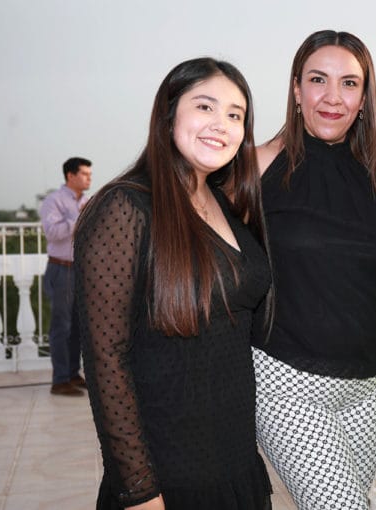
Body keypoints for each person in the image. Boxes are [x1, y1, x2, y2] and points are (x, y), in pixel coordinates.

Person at [73, 58, 272, 510]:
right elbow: (106, 360)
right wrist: (139, 489)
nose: (221, 124)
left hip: (237, 467)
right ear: (168, 115)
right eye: (205, 106)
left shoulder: (225, 203)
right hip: (169, 478)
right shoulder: (124, 207)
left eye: (235, 115)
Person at [252, 30, 376, 510]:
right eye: (318, 80)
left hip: (370, 389)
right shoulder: (256, 165)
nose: (333, 97)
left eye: (349, 83)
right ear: (296, 90)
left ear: (364, 98)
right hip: (289, 384)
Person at [40, 156, 92, 396]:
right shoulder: (54, 200)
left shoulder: (88, 202)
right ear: (70, 176)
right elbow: (53, 233)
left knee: (78, 327)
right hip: (61, 269)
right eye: (84, 174)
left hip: (81, 270)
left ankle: (72, 374)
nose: (89, 178)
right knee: (62, 327)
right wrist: (79, 218)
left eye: (90, 174)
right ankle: (59, 380)